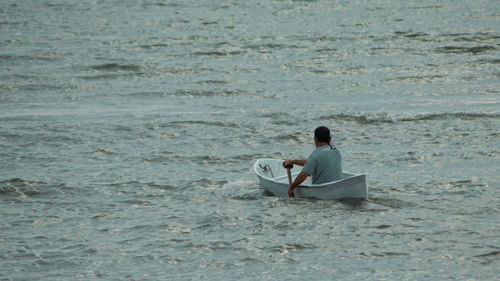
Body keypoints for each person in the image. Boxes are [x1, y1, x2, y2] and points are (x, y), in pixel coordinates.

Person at [282, 126, 342, 198]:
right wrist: (293, 162)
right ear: (330, 139)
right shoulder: (335, 150)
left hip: (321, 191)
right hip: (337, 187)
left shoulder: (316, 154)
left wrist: (291, 188)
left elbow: (303, 175)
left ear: (315, 139)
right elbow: (312, 163)